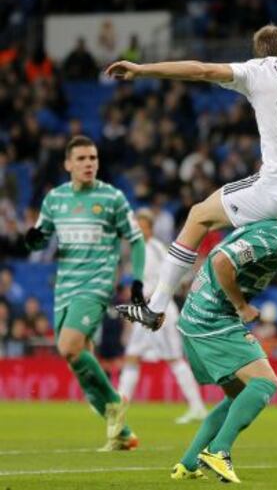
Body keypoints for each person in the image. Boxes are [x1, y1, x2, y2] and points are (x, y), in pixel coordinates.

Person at [105, 24, 277, 346]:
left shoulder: (257, 71)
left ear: (260, 53)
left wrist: (142, 69)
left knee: (199, 215)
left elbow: (201, 70)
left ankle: (156, 306)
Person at [117, 207, 277, 483]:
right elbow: (221, 262)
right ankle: (218, 450)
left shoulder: (275, 226)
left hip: (199, 317)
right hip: (211, 318)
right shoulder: (271, 239)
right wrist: (241, 306)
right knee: (265, 383)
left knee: (237, 396)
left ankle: (188, 463)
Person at [25, 135, 146, 451]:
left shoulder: (112, 198)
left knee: (68, 346)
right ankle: (123, 434)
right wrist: (33, 238)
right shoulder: (55, 199)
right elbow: (38, 241)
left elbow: (135, 239)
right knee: (79, 360)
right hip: (65, 287)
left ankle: (114, 402)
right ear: (68, 164)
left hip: (96, 285)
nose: (88, 163)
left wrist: (136, 280)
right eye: (81, 159)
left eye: (92, 158)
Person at [118, 208, 207, 424]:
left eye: (141, 226)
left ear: (149, 228)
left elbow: (172, 277)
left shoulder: (156, 249)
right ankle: (117, 405)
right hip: (144, 311)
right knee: (131, 357)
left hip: (159, 310)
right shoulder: (140, 249)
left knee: (174, 358)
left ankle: (197, 407)